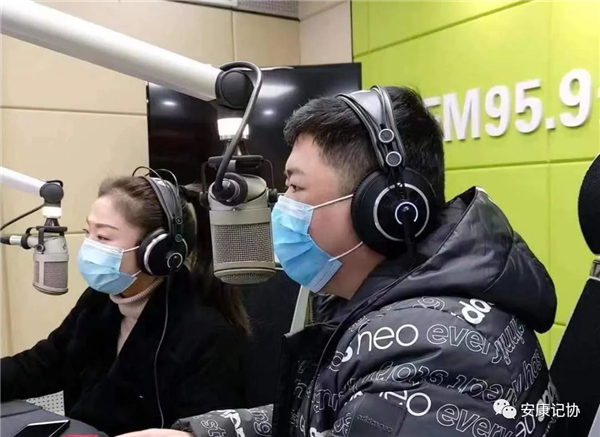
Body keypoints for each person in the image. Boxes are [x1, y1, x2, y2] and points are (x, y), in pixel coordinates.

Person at [123, 86, 558, 437]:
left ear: (386, 209)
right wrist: (197, 433)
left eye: (296, 188)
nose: (280, 206)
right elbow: (318, 417)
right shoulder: (386, 314)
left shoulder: (432, 356)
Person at [1, 173, 250, 436]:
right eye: (88, 232)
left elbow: (206, 427)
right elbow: (45, 364)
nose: (89, 246)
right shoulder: (100, 299)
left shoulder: (206, 332)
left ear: (156, 251)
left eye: (103, 237)